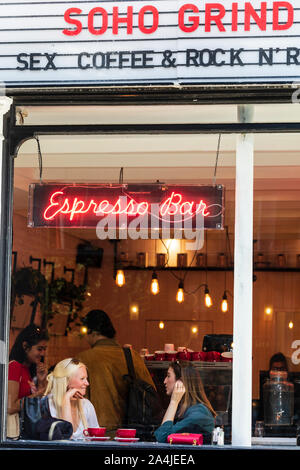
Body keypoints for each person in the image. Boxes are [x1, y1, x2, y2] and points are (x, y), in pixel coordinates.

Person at [77, 309, 156, 435]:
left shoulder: (84, 359)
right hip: (131, 434)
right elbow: (151, 393)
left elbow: (76, 399)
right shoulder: (131, 356)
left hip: (97, 432)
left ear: (92, 332)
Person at [154, 361, 216, 443]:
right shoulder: (183, 409)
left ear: (180, 382)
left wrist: (173, 402)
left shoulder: (199, 412)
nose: (164, 381)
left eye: (168, 376)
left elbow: (161, 437)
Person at [44, 357, 99, 440]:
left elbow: (96, 438)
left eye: (86, 378)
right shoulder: (47, 406)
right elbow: (65, 439)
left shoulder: (86, 405)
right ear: (66, 381)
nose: (87, 383)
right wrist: (66, 400)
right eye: (82, 379)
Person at [8, 324, 49, 416]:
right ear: (25, 346)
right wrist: (37, 394)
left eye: (44, 349)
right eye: (39, 349)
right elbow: (10, 407)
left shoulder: (29, 369)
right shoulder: (14, 367)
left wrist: (41, 381)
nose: (43, 354)